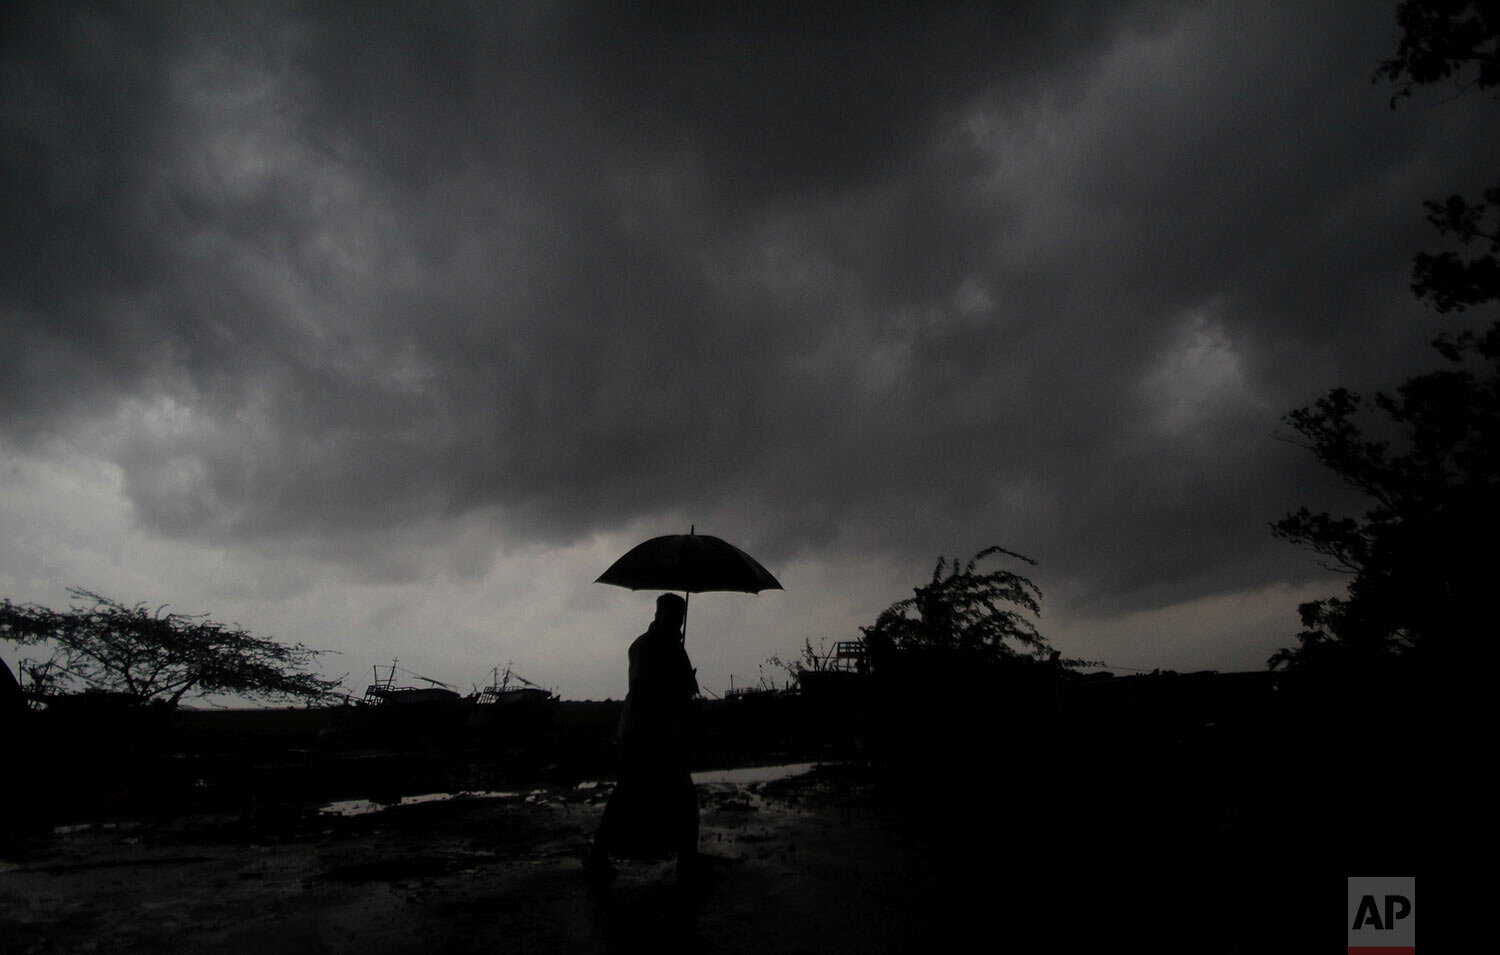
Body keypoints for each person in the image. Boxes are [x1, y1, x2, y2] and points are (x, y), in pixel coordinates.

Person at [586, 593, 700, 884]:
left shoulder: (668, 648)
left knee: (651, 794)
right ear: (660, 615)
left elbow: (685, 689)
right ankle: (686, 865)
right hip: (645, 734)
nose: (677, 622)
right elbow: (644, 687)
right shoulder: (647, 647)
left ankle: (686, 862)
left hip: (652, 732)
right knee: (642, 794)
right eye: (673, 616)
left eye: (680, 617)